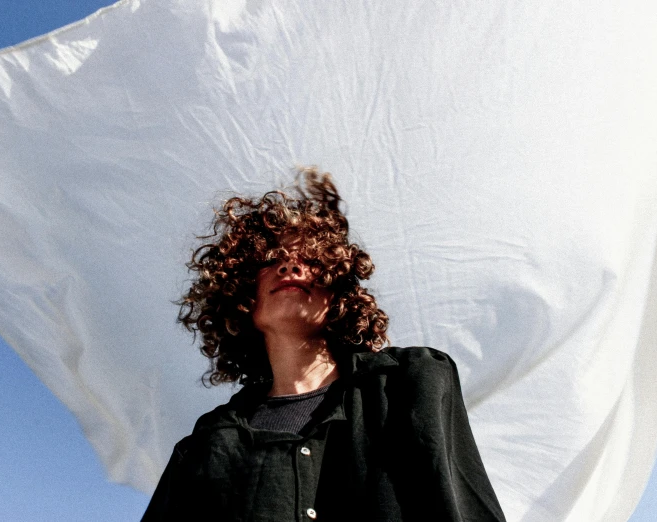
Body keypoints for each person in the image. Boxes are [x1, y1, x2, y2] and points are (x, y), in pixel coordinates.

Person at [142, 168, 505, 521]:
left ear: (338, 288)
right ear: (240, 293)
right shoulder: (205, 446)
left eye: (310, 260)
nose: (289, 268)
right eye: (270, 261)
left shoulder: (411, 381)